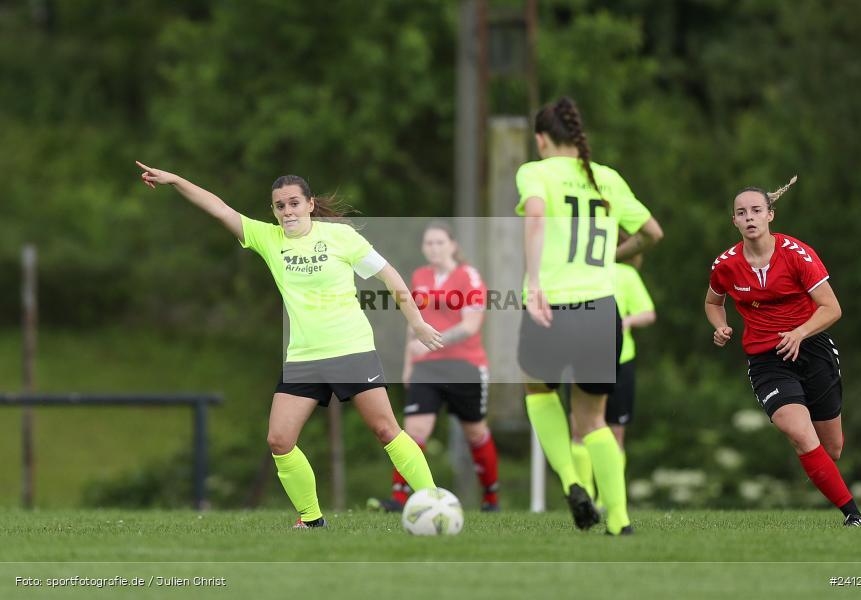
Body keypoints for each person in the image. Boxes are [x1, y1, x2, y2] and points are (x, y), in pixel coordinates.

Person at [135, 161, 442, 528]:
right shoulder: (269, 239)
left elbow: (391, 277)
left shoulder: (342, 238)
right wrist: (175, 180)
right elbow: (219, 208)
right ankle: (312, 521)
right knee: (279, 440)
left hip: (352, 349)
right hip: (303, 358)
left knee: (385, 430)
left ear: (310, 204)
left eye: (294, 203)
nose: (287, 211)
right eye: (280, 206)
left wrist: (418, 323)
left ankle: (434, 503)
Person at [516, 97, 663, 534]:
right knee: (593, 419)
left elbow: (537, 218)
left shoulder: (535, 172)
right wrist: (613, 258)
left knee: (539, 394)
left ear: (542, 138)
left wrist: (536, 283)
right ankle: (619, 520)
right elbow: (651, 233)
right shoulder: (607, 178)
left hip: (552, 305)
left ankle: (572, 481)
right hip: (601, 309)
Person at [705, 176, 861, 527]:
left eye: (756, 211)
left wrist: (800, 332)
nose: (749, 217)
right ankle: (853, 516)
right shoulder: (726, 264)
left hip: (812, 348)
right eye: (741, 212)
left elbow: (832, 308)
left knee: (832, 448)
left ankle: (823, 474)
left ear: (770, 216)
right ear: (733, 220)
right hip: (766, 359)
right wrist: (720, 326)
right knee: (798, 432)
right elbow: (713, 301)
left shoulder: (797, 254)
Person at [369, 221, 499, 512]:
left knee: (475, 433)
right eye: (429, 243)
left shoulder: (469, 277)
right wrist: (408, 364)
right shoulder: (420, 276)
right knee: (414, 431)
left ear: (453, 245)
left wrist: (432, 341)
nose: (435, 248)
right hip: (426, 367)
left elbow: (470, 325)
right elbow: (413, 325)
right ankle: (400, 499)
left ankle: (491, 497)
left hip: (465, 365)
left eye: (440, 242)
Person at [571, 243, 656, 504]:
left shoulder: (625, 274)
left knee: (615, 430)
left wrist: (627, 321)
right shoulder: (577, 273)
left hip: (621, 359)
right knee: (578, 427)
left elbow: (648, 313)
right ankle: (584, 493)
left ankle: (609, 498)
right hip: (583, 356)